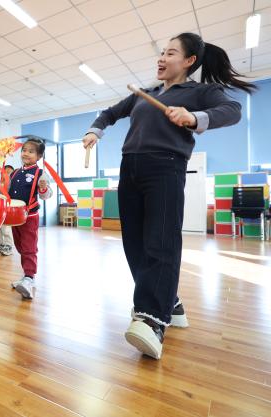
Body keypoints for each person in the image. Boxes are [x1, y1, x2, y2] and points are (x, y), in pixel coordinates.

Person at [82, 32, 254, 360]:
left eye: (170, 53)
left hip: (166, 168)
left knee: (161, 242)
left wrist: (194, 118)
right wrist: (94, 130)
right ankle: (169, 302)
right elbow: (108, 114)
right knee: (134, 244)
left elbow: (232, 111)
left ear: (189, 61)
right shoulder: (144, 95)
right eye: (161, 52)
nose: (161, 58)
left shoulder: (201, 91)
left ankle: (153, 317)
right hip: (129, 168)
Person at [8, 139, 53, 300]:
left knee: (29, 248)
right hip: (15, 217)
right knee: (20, 246)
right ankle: (26, 275)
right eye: (24, 150)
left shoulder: (40, 174)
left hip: (30, 217)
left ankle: (29, 278)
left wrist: (43, 187)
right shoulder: (14, 173)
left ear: (39, 156)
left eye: (31, 151)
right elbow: (7, 190)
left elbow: (46, 195)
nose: (25, 153)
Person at [0, 164, 15, 256]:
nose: (7, 174)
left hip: (7, 209)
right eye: (5, 172)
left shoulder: (12, 184)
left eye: (9, 172)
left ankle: (8, 246)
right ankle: (0, 244)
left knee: (6, 229)